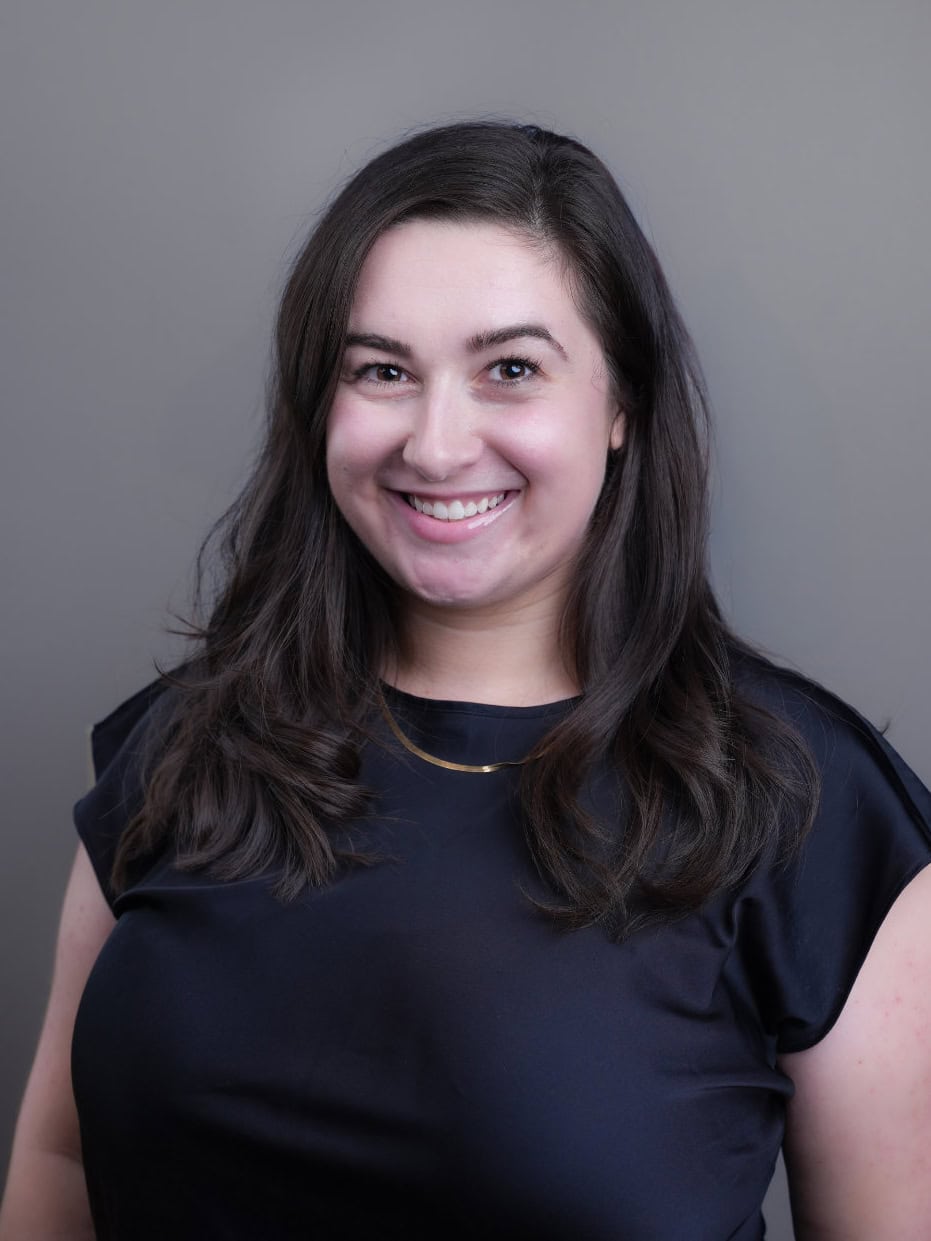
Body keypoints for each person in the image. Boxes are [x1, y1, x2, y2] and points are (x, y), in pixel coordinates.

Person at [2, 121, 930, 1241]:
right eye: (382, 370)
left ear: (621, 402)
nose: (436, 446)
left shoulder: (804, 803)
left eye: (510, 370)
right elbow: (59, 1164)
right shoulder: (182, 746)